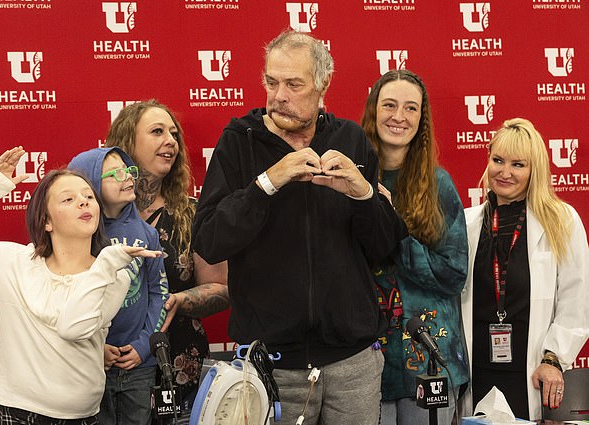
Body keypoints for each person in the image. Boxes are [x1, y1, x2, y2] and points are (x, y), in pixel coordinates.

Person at [191, 30, 408, 425]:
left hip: (352, 363)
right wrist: (266, 184)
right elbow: (208, 239)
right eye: (272, 82)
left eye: (294, 84)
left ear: (322, 85)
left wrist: (364, 196)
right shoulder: (239, 141)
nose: (279, 95)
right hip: (272, 367)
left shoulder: (352, 140)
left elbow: (385, 251)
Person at [0, 146, 162, 424]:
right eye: (68, 199)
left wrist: (105, 265)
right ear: (46, 221)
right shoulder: (12, 262)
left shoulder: (114, 275)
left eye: (89, 196)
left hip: (83, 416)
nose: (84, 202)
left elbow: (72, 328)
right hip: (18, 412)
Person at [105, 100, 229, 421]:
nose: (170, 140)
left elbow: (221, 288)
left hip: (176, 373)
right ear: (128, 142)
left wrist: (176, 301)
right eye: (157, 131)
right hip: (105, 370)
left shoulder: (193, 213)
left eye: (174, 134)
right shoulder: (93, 214)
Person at [461, 118, 589, 420]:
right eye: (497, 160)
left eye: (518, 164)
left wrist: (554, 359)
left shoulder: (562, 220)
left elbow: (576, 301)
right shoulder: (466, 223)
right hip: (475, 372)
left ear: (535, 170)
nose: (504, 172)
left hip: (531, 374)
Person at [361, 69, 469, 425]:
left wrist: (394, 228)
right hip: (363, 364)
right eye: (389, 105)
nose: (399, 117)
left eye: (411, 108)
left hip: (428, 361)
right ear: (373, 110)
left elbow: (454, 274)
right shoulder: (352, 180)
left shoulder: (438, 185)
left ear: (421, 119)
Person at [68, 147, 169, 425]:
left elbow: (158, 293)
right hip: (93, 364)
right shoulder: (80, 235)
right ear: (88, 183)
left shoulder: (147, 234)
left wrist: (143, 345)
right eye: (115, 173)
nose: (127, 177)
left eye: (129, 170)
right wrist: (94, 348)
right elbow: (66, 301)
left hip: (139, 365)